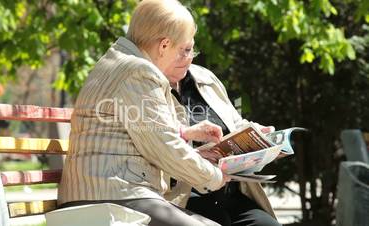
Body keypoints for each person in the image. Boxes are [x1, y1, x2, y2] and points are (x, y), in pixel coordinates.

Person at [58, 1, 230, 225]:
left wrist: (186, 135)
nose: (188, 58)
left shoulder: (119, 61)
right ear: (164, 45)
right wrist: (214, 177)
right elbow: (163, 145)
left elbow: (140, 131)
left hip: (107, 193)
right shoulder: (139, 71)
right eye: (185, 49)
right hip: (110, 196)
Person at [163, 60, 282, 226]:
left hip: (227, 191)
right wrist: (195, 156)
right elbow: (156, 147)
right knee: (218, 220)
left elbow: (234, 123)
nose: (185, 56)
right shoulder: (149, 84)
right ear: (163, 47)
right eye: (180, 48)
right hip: (184, 195)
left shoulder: (205, 77)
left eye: (189, 49)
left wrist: (255, 133)